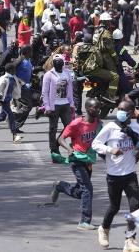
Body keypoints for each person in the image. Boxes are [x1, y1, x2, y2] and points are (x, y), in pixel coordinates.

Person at [91, 100, 139, 252]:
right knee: (114, 207)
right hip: (113, 175)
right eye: (119, 109)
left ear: (131, 113)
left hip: (129, 174)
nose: (120, 111)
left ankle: (130, 240)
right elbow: (95, 144)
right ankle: (104, 229)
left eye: (124, 110)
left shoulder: (136, 128)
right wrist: (110, 150)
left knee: (135, 207)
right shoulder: (110, 127)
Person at [51, 98, 102, 230]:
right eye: (94, 108)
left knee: (81, 192)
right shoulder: (77, 123)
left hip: (89, 161)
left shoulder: (98, 122)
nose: (97, 110)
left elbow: (101, 141)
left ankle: (60, 186)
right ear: (87, 108)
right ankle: (84, 221)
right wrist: (69, 149)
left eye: (98, 107)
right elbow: (60, 138)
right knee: (88, 189)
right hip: (77, 159)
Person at [42, 55, 75, 154]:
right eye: (56, 61)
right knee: (53, 128)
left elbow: (70, 89)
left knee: (69, 126)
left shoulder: (67, 73)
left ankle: (57, 143)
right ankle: (54, 151)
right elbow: (45, 92)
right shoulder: (49, 74)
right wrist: (47, 106)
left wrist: (71, 103)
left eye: (59, 61)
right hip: (54, 106)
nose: (58, 63)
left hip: (65, 104)